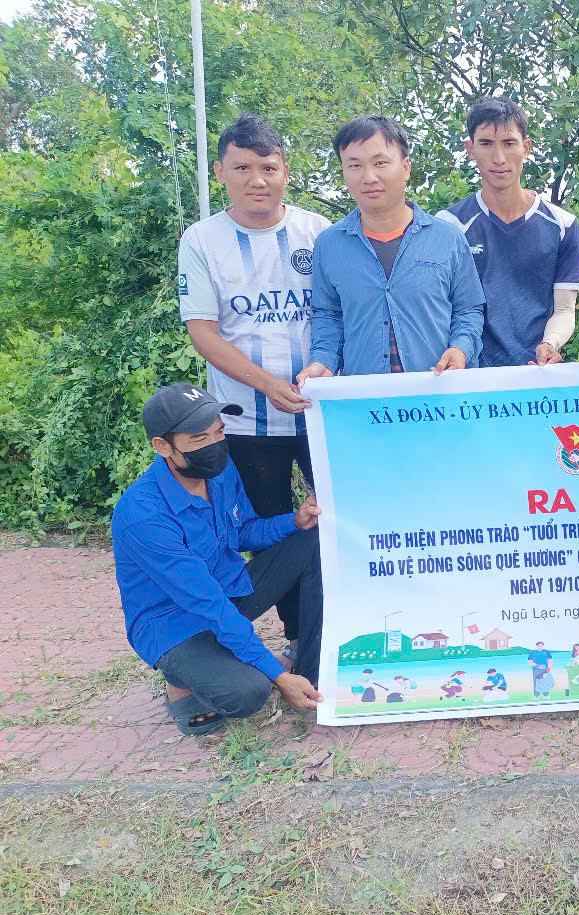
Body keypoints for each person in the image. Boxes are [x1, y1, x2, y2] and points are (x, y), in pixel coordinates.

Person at [178, 114, 331, 663]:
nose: (257, 179)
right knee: (276, 530)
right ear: (222, 172)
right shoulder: (202, 240)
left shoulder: (321, 233)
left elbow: (341, 316)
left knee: (340, 517)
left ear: (286, 171)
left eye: (268, 167)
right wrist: (267, 384)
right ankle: (296, 638)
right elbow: (204, 333)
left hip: (322, 415)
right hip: (247, 421)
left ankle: (342, 627)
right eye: (243, 167)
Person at [111, 384, 325, 736]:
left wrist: (294, 521)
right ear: (163, 446)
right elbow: (203, 601)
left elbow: (243, 532)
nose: (214, 445)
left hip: (227, 590)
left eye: (220, 432)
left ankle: (310, 664)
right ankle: (179, 679)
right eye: (199, 439)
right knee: (249, 692)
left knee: (311, 539)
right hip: (174, 621)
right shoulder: (143, 514)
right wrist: (277, 677)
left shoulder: (219, 473)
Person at [297, 115, 485, 385]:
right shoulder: (329, 245)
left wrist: (461, 349)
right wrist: (323, 361)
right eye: (354, 165)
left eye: (380, 163)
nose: (368, 177)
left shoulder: (448, 238)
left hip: (438, 394)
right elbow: (328, 315)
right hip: (364, 404)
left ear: (406, 167)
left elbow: (468, 310)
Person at [436, 96, 579, 367]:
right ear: (470, 149)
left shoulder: (563, 224)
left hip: (537, 375)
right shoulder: (448, 225)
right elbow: (446, 310)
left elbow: (564, 308)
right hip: (468, 377)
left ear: (526, 147)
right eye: (486, 144)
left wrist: (550, 343)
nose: (499, 158)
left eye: (508, 143)